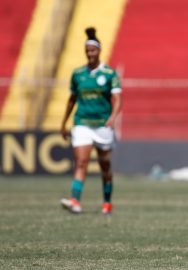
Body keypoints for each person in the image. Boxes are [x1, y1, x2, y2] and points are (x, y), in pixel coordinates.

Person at [60, 27, 122, 215]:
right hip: (82, 123)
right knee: (81, 162)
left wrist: (113, 117)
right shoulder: (78, 74)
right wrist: (64, 123)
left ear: (99, 51)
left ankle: (107, 203)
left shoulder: (109, 74)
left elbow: (118, 99)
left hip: (103, 124)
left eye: (93, 50)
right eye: (87, 51)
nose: (90, 54)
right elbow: (71, 100)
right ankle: (75, 201)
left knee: (105, 165)